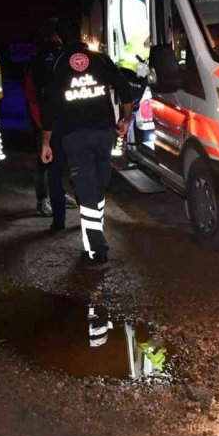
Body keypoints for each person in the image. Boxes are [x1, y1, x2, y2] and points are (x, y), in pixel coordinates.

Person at [41, 30, 133, 266]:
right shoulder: (100, 59)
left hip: (75, 137)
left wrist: (45, 143)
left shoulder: (58, 64)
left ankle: (95, 249)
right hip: (104, 134)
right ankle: (95, 244)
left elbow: (49, 108)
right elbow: (124, 87)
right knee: (96, 187)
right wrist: (126, 119)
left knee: (89, 192)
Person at [25, 24, 76, 226]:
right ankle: (42, 200)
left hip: (61, 120)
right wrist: (42, 125)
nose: (57, 42)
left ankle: (59, 195)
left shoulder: (63, 59)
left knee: (61, 161)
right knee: (44, 162)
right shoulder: (38, 62)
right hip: (44, 121)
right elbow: (32, 96)